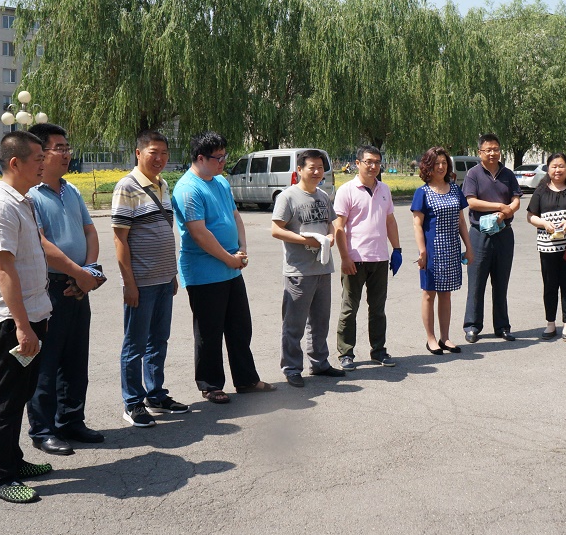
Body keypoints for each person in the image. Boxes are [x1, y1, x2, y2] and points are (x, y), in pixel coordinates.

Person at [0, 131, 53, 504]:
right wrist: (22, 326)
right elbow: (4, 269)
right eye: (38, 158)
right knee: (6, 400)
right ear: (15, 162)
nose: (44, 163)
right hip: (10, 322)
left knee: (21, 394)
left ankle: (14, 461)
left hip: (32, 314)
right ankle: (2, 478)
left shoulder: (23, 201)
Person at [172, 132, 275, 403]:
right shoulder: (188, 188)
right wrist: (228, 259)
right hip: (204, 272)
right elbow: (199, 233)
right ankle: (211, 384)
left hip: (231, 267)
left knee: (240, 326)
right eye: (218, 158)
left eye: (224, 156)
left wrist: (242, 249)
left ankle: (246, 379)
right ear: (200, 158)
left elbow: (235, 216)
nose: (223, 162)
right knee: (209, 331)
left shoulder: (220, 182)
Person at [25, 123, 105, 457]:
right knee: (47, 362)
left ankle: (71, 420)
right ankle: (43, 430)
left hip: (78, 285)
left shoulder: (71, 190)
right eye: (59, 147)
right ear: (40, 153)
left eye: (67, 147)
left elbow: (90, 231)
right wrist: (78, 273)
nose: (66, 153)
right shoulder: (31, 195)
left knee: (75, 358)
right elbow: (40, 243)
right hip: (51, 288)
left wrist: (89, 271)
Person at [112, 130, 188, 428]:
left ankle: (156, 395)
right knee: (135, 345)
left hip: (163, 279)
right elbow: (120, 239)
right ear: (138, 153)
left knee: (158, 340)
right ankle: (133, 402)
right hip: (141, 283)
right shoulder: (126, 186)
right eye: (153, 152)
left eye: (164, 153)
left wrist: (172, 275)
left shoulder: (162, 184)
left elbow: (164, 232)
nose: (160, 158)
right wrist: (129, 283)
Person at [271, 150, 347, 386]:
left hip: (322, 268)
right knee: (293, 324)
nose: (316, 172)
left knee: (320, 322)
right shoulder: (288, 197)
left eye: (320, 168)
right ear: (299, 170)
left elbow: (332, 223)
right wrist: (306, 240)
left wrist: (331, 236)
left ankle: (320, 363)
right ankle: (292, 368)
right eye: (311, 167)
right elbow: (276, 229)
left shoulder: (323, 195)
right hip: (299, 271)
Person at [333, 145, 403, 371]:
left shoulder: (384, 189)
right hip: (355, 259)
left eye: (377, 162)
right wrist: (345, 257)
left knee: (378, 309)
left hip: (380, 258)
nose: (373, 166)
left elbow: (390, 220)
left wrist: (397, 249)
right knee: (349, 309)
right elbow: (339, 227)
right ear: (357, 163)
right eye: (368, 162)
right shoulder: (346, 190)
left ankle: (378, 350)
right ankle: (346, 352)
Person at [411, 147, 473, 354]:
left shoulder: (454, 189)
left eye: (444, 163)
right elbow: (417, 224)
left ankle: (445, 337)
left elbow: (461, 221)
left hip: (452, 249)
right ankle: (430, 338)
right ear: (428, 166)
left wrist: (469, 247)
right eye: (436, 163)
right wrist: (422, 252)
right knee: (429, 294)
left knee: (446, 294)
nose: (441, 166)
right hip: (432, 250)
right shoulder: (422, 192)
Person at [462, 133, 522, 343]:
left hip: (504, 233)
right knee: (476, 283)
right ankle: (472, 326)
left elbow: (516, 200)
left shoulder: (508, 174)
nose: (492, 153)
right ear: (480, 152)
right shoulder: (473, 174)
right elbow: (471, 202)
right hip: (480, 234)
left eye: (495, 149)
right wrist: (499, 207)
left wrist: (506, 213)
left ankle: (502, 326)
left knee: (501, 283)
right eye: (488, 150)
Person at [526, 153, 566, 342]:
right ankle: (550, 323)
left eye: (561, 166)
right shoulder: (540, 191)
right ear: (548, 168)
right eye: (554, 166)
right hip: (547, 247)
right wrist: (543, 223)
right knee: (550, 285)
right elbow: (530, 216)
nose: (557, 170)